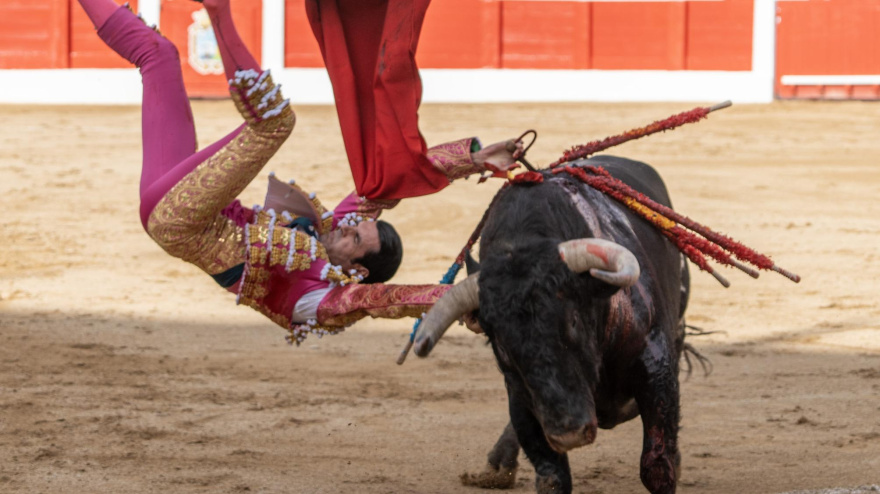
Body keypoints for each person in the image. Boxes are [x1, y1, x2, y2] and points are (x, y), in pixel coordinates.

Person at [74, 0, 521, 343]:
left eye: (353, 240)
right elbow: (391, 185)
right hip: (175, 202)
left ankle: (218, 11)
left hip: (182, 221)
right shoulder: (333, 230)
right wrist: (478, 157)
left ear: (357, 271)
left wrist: (470, 296)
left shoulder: (326, 299)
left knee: (275, 125)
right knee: (158, 55)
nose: (343, 228)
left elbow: (390, 300)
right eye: (354, 227)